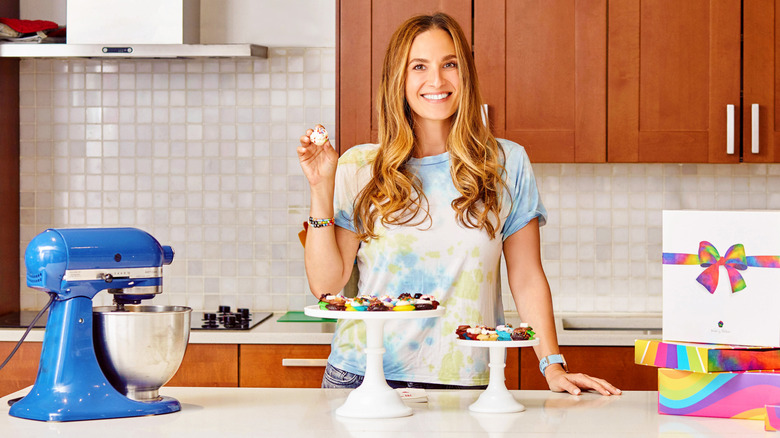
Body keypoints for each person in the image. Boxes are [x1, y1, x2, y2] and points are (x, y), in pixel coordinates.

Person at [296, 12, 620, 396]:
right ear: (397, 79)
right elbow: (326, 284)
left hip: (464, 379)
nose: (436, 80)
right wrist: (321, 189)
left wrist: (552, 366)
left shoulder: (505, 162)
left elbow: (527, 274)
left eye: (449, 64)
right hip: (362, 377)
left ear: (465, 73)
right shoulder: (361, 166)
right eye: (419, 66)